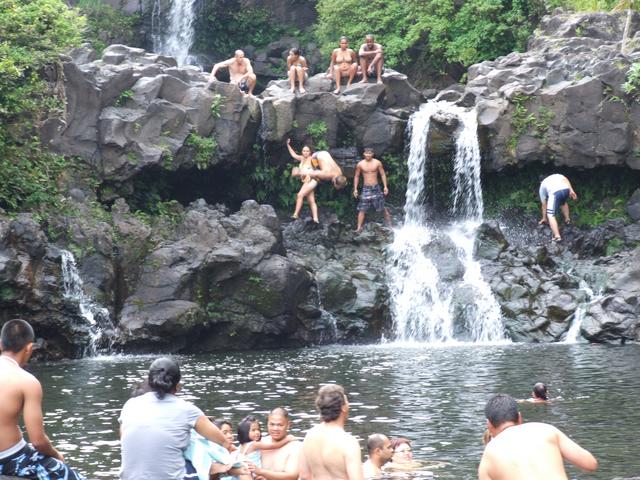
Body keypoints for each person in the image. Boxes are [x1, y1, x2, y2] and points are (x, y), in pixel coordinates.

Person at [0, 319, 87, 480]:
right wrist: (56, 455)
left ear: (0, 344)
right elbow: (38, 441)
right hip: (10, 458)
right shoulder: (27, 381)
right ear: (29, 348)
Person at [119, 357, 227, 480]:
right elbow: (222, 441)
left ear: (150, 381)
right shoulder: (187, 410)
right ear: (177, 384)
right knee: (203, 460)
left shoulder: (130, 405)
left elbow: (124, 437)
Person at [478, 393, 598, 480]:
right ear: (519, 417)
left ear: (489, 425)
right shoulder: (546, 430)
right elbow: (590, 463)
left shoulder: (488, 455)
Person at [299, 384, 364, 480]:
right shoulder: (348, 442)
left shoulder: (309, 436)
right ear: (343, 407)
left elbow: (304, 476)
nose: (348, 405)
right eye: (347, 401)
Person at [246, 407, 302, 480]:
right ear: (267, 423)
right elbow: (240, 462)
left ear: (288, 425)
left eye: (280, 425)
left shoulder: (295, 447)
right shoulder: (260, 443)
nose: (275, 428)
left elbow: (292, 476)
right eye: (272, 424)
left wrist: (261, 472)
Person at [353, 148, 392, 232]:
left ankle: (390, 226)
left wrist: (385, 186)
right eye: (366, 153)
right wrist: (355, 189)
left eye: (369, 153)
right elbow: (356, 176)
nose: (368, 155)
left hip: (376, 188)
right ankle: (359, 228)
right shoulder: (360, 164)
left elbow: (382, 174)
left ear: (372, 154)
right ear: (363, 154)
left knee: (383, 207)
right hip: (366, 188)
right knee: (362, 208)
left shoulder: (377, 163)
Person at [287, 138, 319, 223]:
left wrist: (308, 174)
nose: (305, 152)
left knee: (300, 195)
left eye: (307, 151)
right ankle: (316, 219)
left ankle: (295, 214)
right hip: (306, 181)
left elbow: (318, 170)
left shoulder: (313, 159)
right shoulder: (301, 158)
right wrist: (288, 145)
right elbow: (293, 155)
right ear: (302, 151)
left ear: (310, 152)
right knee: (311, 201)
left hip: (312, 180)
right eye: (304, 151)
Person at [538, 174, 577, 242]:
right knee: (563, 202)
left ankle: (557, 236)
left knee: (550, 214)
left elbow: (544, 204)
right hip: (565, 189)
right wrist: (571, 190)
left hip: (555, 193)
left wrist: (544, 218)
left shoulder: (542, 185)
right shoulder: (556, 175)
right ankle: (567, 220)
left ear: (540, 182)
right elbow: (565, 179)